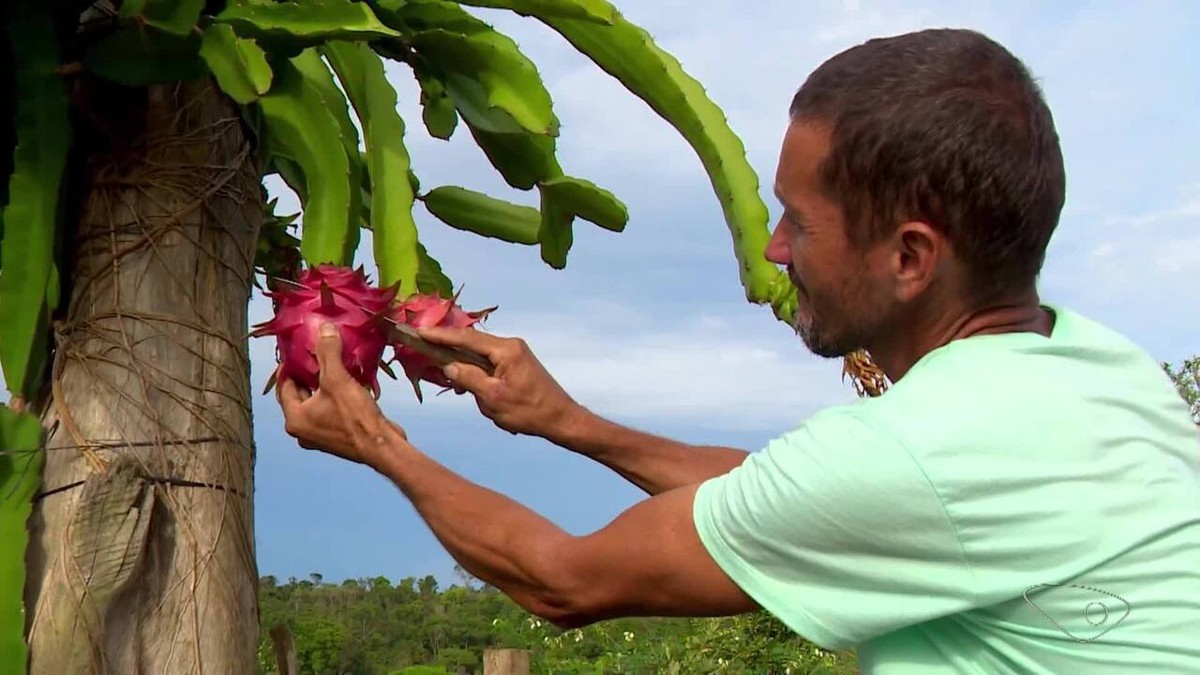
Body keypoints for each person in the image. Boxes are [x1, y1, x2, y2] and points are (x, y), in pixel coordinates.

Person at [277, 28, 1200, 674]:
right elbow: (787, 487)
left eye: (800, 220)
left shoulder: (916, 453)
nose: (774, 249)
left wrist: (376, 441)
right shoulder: (1097, 366)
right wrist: (569, 424)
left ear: (910, 256)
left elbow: (563, 580)